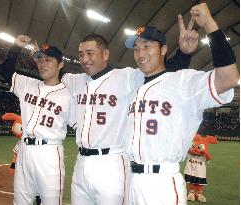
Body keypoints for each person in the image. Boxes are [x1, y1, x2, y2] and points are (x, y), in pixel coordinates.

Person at [61, 15, 198, 205]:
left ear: (106, 54)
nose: (84, 59)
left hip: (112, 161)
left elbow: (164, 73)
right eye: (81, 54)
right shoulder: (75, 81)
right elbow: (51, 75)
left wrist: (184, 54)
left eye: (90, 53)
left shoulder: (127, 77)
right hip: (81, 161)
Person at [124, 3, 239, 205]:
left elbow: (228, 78)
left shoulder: (184, 82)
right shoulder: (135, 82)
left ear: (163, 49)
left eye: (147, 46)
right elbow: (161, 75)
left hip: (162, 184)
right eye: (136, 48)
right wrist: (184, 54)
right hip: (132, 180)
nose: (140, 53)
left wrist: (209, 25)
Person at [0, 36, 75, 205]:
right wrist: (16, 47)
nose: (43, 64)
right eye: (40, 60)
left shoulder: (69, 95)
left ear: (60, 64)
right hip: (24, 150)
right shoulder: (28, 84)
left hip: (49, 152)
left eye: (48, 60)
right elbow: (5, 71)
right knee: (21, 201)